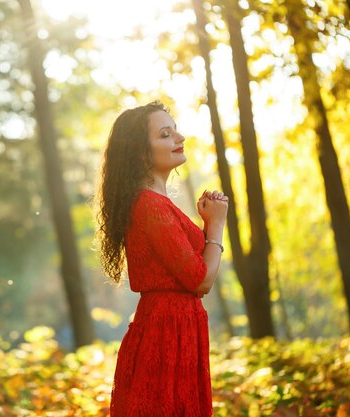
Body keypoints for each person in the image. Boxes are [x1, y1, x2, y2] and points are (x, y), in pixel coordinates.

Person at [95, 101, 228, 416]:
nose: (179, 138)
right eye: (166, 135)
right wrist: (218, 225)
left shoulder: (157, 204)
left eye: (175, 130)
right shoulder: (150, 206)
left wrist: (208, 225)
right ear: (141, 152)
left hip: (178, 325)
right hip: (166, 331)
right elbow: (201, 279)